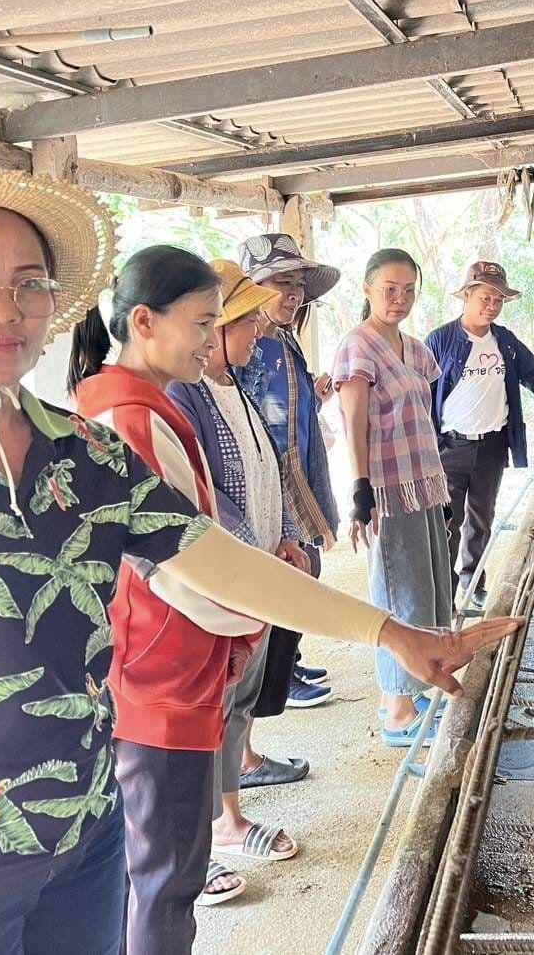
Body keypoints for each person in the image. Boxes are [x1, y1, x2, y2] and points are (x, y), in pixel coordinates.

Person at [0, 157, 521, 955]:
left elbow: (219, 562)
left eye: (29, 284)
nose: (5, 308)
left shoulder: (86, 453)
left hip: (85, 838)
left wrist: (391, 633)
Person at [66, 245, 260, 916]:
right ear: (143, 321)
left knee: (145, 874)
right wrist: (255, 615)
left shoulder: (129, 403)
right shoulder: (132, 419)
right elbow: (187, 572)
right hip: (158, 671)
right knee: (167, 884)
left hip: (151, 664)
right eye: (202, 323)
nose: (211, 342)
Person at [168, 261, 310, 894]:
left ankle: (227, 818)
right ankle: (209, 831)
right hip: (221, 583)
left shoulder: (239, 388)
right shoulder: (184, 397)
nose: (257, 329)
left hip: (254, 572)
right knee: (212, 707)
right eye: (243, 319)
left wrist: (283, 533)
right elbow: (205, 500)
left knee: (240, 701)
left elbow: (265, 468)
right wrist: (253, 557)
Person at [333, 248, 453, 748]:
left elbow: (424, 417)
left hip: (421, 480)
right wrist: (360, 489)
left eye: (408, 290)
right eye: (389, 289)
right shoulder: (357, 347)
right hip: (386, 487)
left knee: (426, 588)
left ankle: (412, 688)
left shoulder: (416, 348)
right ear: (367, 290)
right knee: (398, 594)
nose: (399, 299)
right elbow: (353, 421)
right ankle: (397, 709)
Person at [426, 261, 534, 598]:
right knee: (445, 523)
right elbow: (420, 392)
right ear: (467, 295)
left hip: (491, 446)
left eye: (498, 300)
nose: (492, 306)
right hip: (450, 448)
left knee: (481, 521)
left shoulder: (504, 342)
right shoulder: (440, 341)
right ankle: (444, 595)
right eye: (485, 298)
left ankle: (473, 581)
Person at [233, 232, 343, 713]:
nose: (293, 292)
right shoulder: (250, 341)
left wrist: (314, 399)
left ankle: (289, 660)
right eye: (281, 281)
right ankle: (276, 680)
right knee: (293, 572)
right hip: (270, 473)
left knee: (305, 566)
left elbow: (283, 404)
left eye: (298, 282)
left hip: (296, 467)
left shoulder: (283, 337)